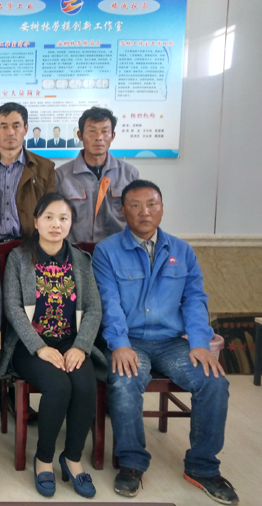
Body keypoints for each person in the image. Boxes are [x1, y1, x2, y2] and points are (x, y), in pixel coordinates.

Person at [92, 180, 238, 505]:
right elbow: (108, 302)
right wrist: (119, 343)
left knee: (214, 381)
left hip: (173, 342)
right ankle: (131, 463)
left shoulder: (182, 251)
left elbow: (195, 300)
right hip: (130, 340)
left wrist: (199, 342)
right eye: (135, 205)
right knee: (124, 381)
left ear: (162, 208)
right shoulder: (107, 251)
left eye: (152, 204)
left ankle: (202, 466)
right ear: (123, 211)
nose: (144, 212)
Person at [0, 193, 106, 498]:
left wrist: (81, 346)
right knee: (59, 387)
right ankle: (44, 459)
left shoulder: (81, 260)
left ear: (70, 223)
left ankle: (71, 458)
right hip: (29, 345)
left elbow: (94, 308)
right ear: (36, 222)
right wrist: (40, 347)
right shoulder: (19, 258)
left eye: (63, 218)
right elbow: (13, 309)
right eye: (48, 217)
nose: (55, 224)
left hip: (71, 342)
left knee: (85, 386)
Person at [0, 102, 55, 241]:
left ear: (25, 128)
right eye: (4, 126)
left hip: (29, 246)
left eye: (16, 126)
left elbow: (51, 214)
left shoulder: (45, 167)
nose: (10, 132)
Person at [56, 107, 139, 243]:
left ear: (113, 136)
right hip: (76, 251)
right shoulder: (61, 176)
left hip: (118, 250)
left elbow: (136, 217)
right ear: (80, 135)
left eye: (105, 131)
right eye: (92, 131)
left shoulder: (129, 174)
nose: (99, 137)